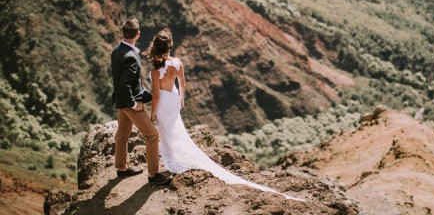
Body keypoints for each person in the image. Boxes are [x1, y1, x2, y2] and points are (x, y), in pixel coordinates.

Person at [144, 28, 304, 201]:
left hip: (163, 103)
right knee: (176, 129)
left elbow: (157, 95)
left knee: (167, 132)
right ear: (170, 46)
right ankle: (176, 157)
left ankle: (173, 160)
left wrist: (152, 112)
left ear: (157, 49)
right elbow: (182, 84)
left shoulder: (155, 71)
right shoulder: (177, 62)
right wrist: (181, 100)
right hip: (174, 100)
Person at [111, 18, 172, 185]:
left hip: (121, 102)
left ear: (123, 33)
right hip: (130, 104)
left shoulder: (117, 50)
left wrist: (151, 96)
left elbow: (125, 83)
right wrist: (134, 104)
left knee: (122, 135)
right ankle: (153, 175)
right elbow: (125, 85)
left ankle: (121, 168)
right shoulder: (130, 56)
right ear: (138, 34)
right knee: (152, 135)